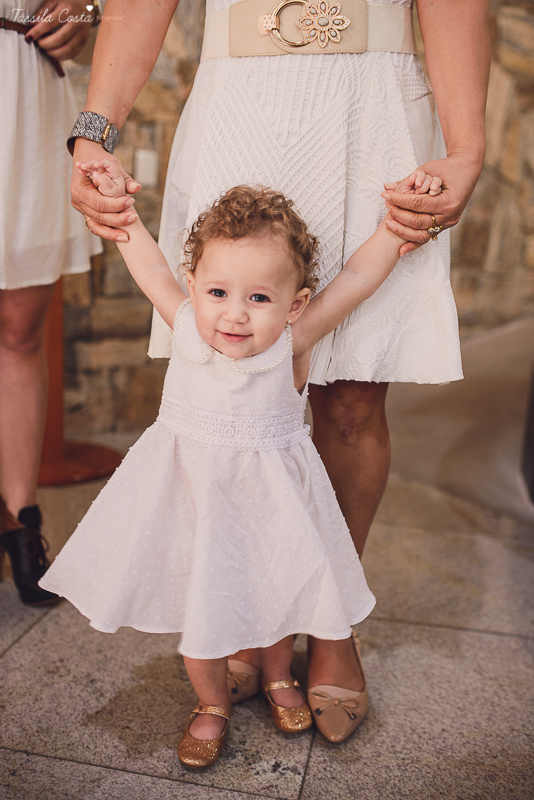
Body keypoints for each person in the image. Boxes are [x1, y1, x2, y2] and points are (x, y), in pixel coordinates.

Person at [69, 0, 490, 711]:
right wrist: (93, 131)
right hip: (240, 101)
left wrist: (467, 145)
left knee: (354, 397)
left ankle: (329, 621)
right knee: (229, 373)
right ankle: (242, 608)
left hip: (374, 101)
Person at [40, 168, 442, 763]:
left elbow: (355, 279)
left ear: (293, 304)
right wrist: (124, 221)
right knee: (202, 604)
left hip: (269, 504)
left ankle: (278, 673)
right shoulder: (188, 329)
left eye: (259, 298)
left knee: (275, 589)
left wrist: (391, 232)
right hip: (195, 501)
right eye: (218, 292)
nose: (234, 315)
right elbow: (151, 268)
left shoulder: (292, 340)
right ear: (194, 285)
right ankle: (210, 704)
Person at [0, 0, 102, 606]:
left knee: (21, 329)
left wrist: (83, 13)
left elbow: (90, 15)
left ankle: (23, 521)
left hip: (27, 89)